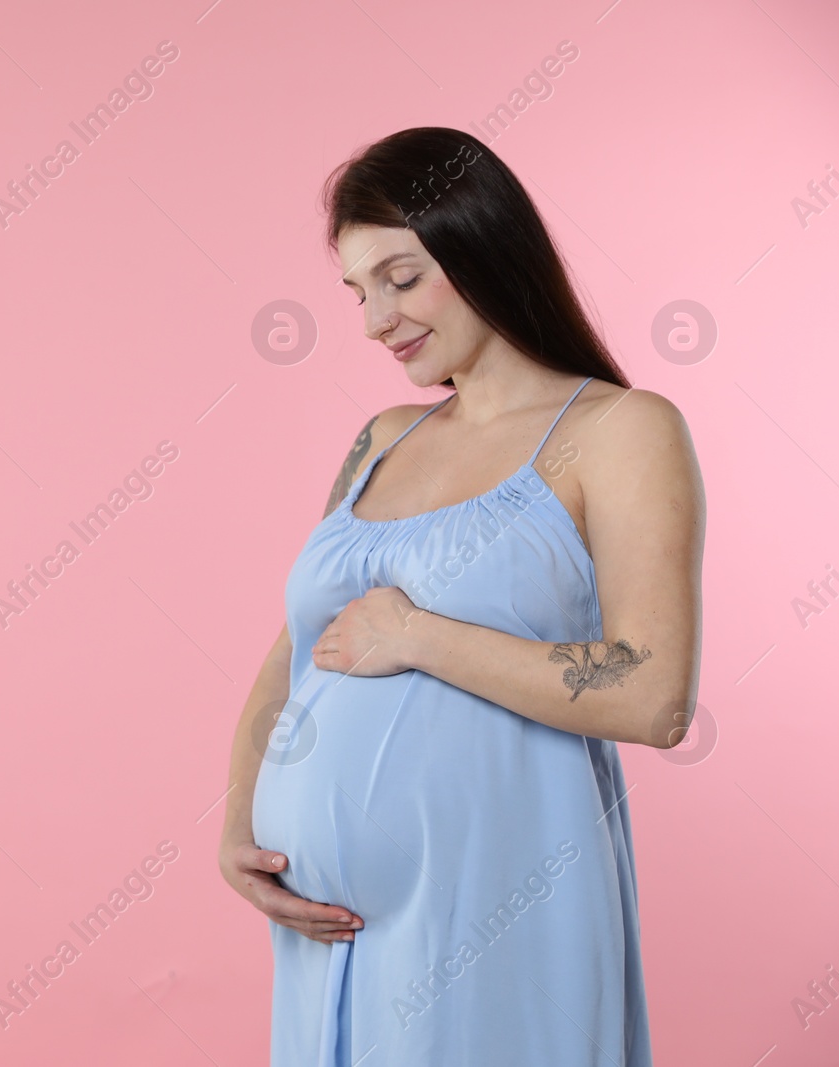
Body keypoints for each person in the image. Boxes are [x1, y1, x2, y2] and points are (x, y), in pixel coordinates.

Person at [217, 127, 705, 1066]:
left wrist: (420, 635)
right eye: (359, 291)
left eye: (400, 278)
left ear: (480, 242)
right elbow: (299, 646)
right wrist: (239, 816)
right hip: (329, 938)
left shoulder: (619, 430)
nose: (373, 321)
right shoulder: (383, 437)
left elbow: (655, 696)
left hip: (502, 912)